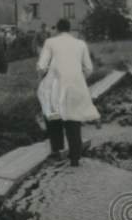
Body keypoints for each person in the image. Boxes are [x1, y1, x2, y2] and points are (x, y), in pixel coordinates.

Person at [36, 19, 100, 167]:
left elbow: (41, 66)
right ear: (70, 30)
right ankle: (75, 158)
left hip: (55, 86)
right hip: (75, 85)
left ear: (57, 29)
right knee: (73, 119)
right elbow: (89, 69)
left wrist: (41, 78)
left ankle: (57, 151)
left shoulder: (50, 42)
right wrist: (78, 78)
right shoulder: (81, 44)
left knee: (53, 117)